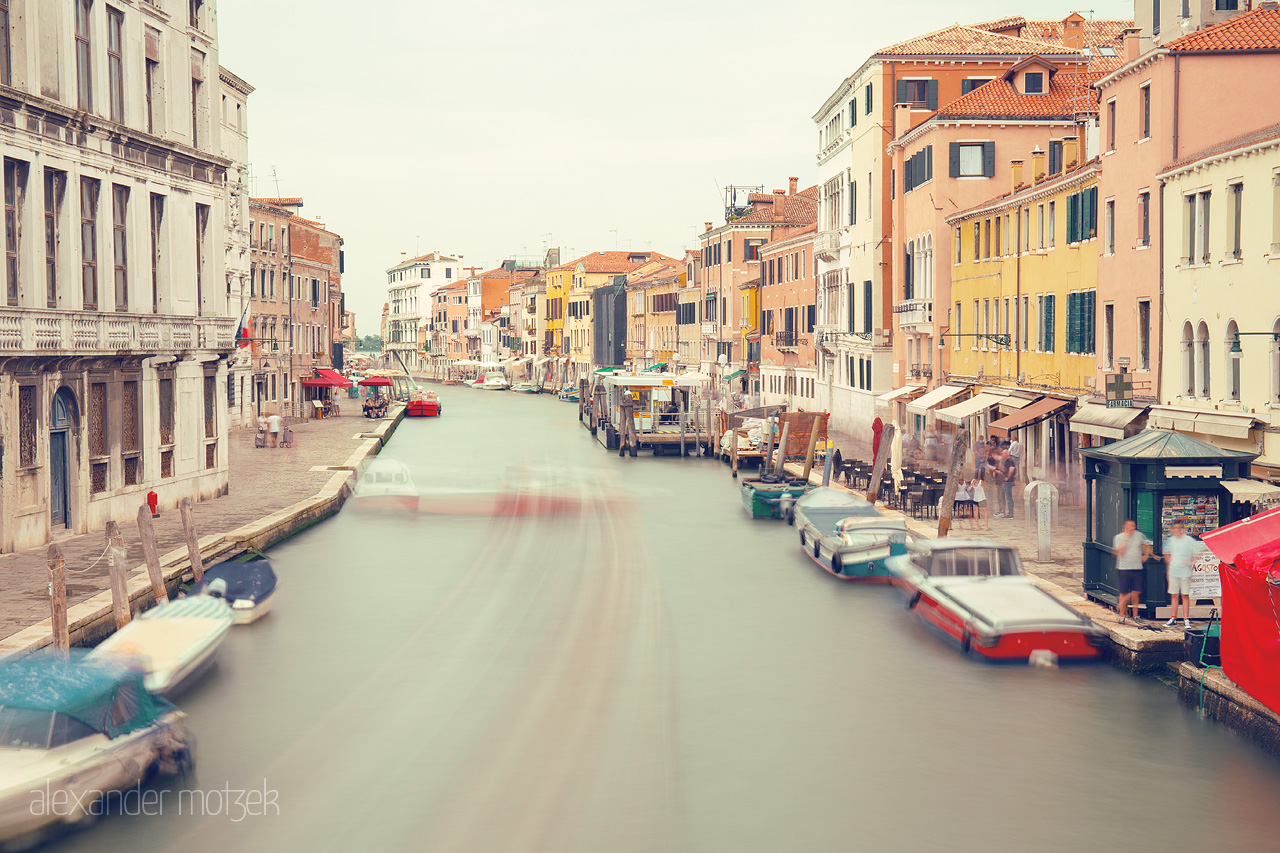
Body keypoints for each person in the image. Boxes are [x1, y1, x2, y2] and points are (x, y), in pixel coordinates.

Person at [1163, 521, 1205, 629]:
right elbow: (1166, 553)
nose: (1176, 530)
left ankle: (1186, 618)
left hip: (1185, 572)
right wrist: (1169, 565)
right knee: (1174, 595)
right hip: (1173, 571)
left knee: (1185, 595)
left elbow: (1199, 552)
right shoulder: (1171, 541)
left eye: (1178, 528)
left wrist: (1190, 562)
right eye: (1174, 528)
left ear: (1182, 529)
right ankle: (1173, 618)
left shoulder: (1189, 540)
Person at [1111, 519, 1152, 624]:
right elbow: (1118, 552)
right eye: (1130, 526)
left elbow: (1147, 543)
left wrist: (1146, 555)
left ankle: (1135, 615)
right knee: (1123, 592)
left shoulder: (1139, 535)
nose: (1132, 528)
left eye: (1133, 526)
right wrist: (1126, 540)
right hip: (1124, 568)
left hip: (1137, 567)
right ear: (1125, 527)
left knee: (1136, 592)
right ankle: (1122, 615)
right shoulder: (1119, 537)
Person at [1000, 447, 1017, 520]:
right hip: (1006, 481)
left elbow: (1011, 469)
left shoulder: (1010, 461)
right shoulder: (1007, 461)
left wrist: (1008, 477)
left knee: (1008, 497)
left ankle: (1010, 513)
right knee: (1007, 496)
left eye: (1003, 453)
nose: (1002, 455)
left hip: (1008, 481)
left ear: (1007, 454)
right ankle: (1010, 512)